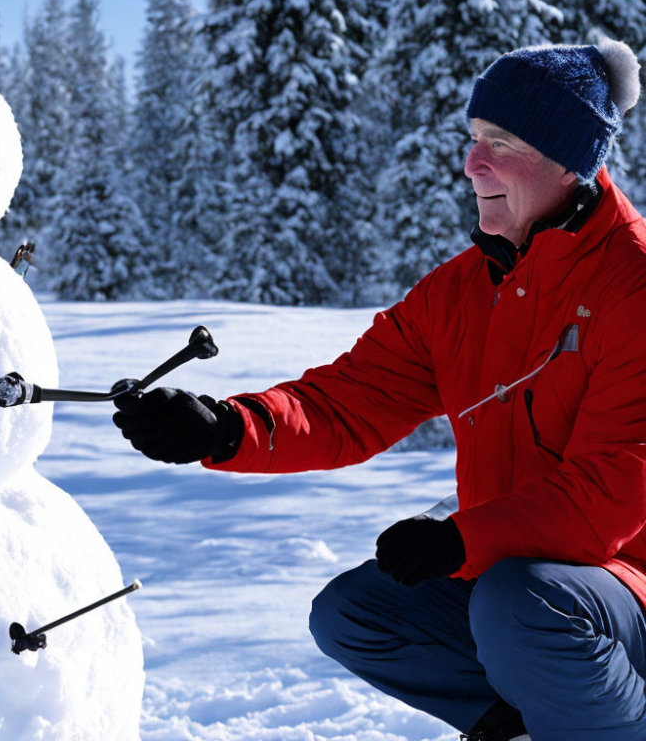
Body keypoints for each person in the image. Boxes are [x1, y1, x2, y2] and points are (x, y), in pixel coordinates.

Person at [114, 39, 646, 741]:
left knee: (519, 605)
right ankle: (523, 723)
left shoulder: (631, 284)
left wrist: (460, 540)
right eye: (473, 138)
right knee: (356, 613)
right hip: (512, 579)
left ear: (567, 157)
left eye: (502, 143)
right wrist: (227, 428)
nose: (472, 162)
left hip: (616, 589)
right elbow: (349, 401)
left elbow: (614, 487)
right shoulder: (460, 291)